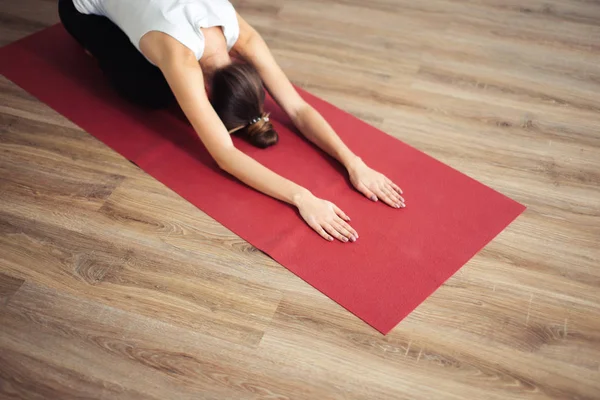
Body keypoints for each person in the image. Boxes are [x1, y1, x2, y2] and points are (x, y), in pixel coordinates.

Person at [58, 0, 405, 243]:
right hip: (80, 10)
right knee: (152, 94)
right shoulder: (181, 59)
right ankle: (98, 46)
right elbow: (224, 155)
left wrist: (353, 162)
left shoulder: (240, 33)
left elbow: (298, 110)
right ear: (208, 92)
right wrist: (303, 198)